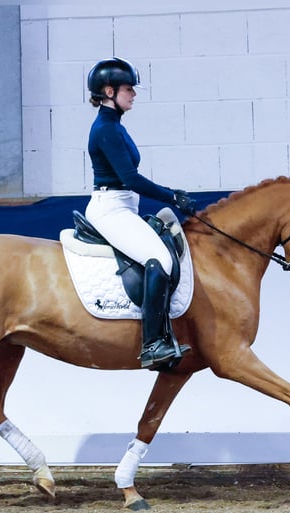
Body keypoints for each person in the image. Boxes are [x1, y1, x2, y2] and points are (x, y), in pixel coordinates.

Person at [85, 57, 196, 370]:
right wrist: (172, 196)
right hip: (110, 210)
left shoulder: (115, 126)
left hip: (122, 207)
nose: (133, 94)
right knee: (159, 260)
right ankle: (152, 345)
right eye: (128, 89)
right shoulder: (106, 129)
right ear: (109, 91)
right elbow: (131, 179)